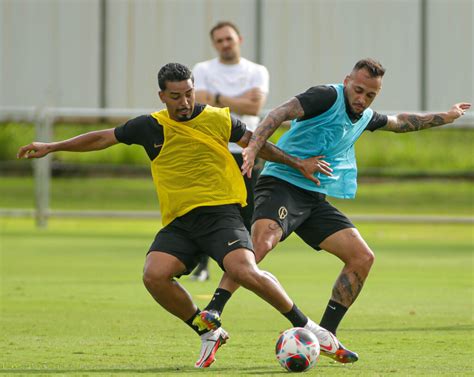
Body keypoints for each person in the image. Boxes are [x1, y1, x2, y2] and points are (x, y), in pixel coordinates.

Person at [17, 62, 355, 368]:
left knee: (243, 269)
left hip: (221, 213)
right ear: (162, 95)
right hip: (180, 221)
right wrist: (52, 147)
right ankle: (208, 331)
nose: (184, 102)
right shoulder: (149, 126)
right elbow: (103, 138)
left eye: (189, 93)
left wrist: (297, 163)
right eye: (176, 96)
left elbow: (257, 142)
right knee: (154, 275)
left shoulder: (218, 118)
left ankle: (308, 326)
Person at [202, 58, 471, 362]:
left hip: (314, 197)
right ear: (347, 81)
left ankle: (326, 335)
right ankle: (213, 310)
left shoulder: (365, 115)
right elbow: (279, 113)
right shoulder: (325, 96)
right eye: (358, 90)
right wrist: (252, 147)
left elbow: (400, 123)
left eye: (370, 95)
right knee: (261, 244)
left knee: (362, 257)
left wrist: (445, 117)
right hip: (282, 184)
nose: (362, 99)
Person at [190, 21, 270, 281]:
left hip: (246, 149)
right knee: (206, 205)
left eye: (229, 39)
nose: (225, 44)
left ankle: (241, 266)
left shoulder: (257, 71)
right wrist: (238, 100)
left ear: (240, 39)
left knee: (247, 209)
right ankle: (201, 265)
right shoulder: (202, 69)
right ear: (214, 44)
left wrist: (217, 97)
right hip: (212, 148)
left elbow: (255, 107)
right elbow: (197, 103)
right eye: (220, 40)